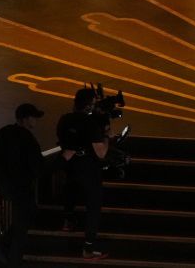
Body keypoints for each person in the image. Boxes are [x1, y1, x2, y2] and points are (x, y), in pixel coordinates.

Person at [57, 88, 110, 260]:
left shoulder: (64, 120)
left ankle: (68, 222)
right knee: (93, 207)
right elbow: (101, 153)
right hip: (89, 170)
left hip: (69, 166)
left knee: (70, 192)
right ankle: (88, 247)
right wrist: (107, 136)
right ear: (90, 105)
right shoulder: (91, 124)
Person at [0, 103, 45, 267]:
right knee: (22, 229)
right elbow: (38, 166)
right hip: (22, 188)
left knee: (24, 219)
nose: (35, 121)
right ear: (27, 119)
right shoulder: (28, 139)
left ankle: (2, 245)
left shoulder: (4, 132)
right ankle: (11, 259)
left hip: (6, 186)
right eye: (34, 117)